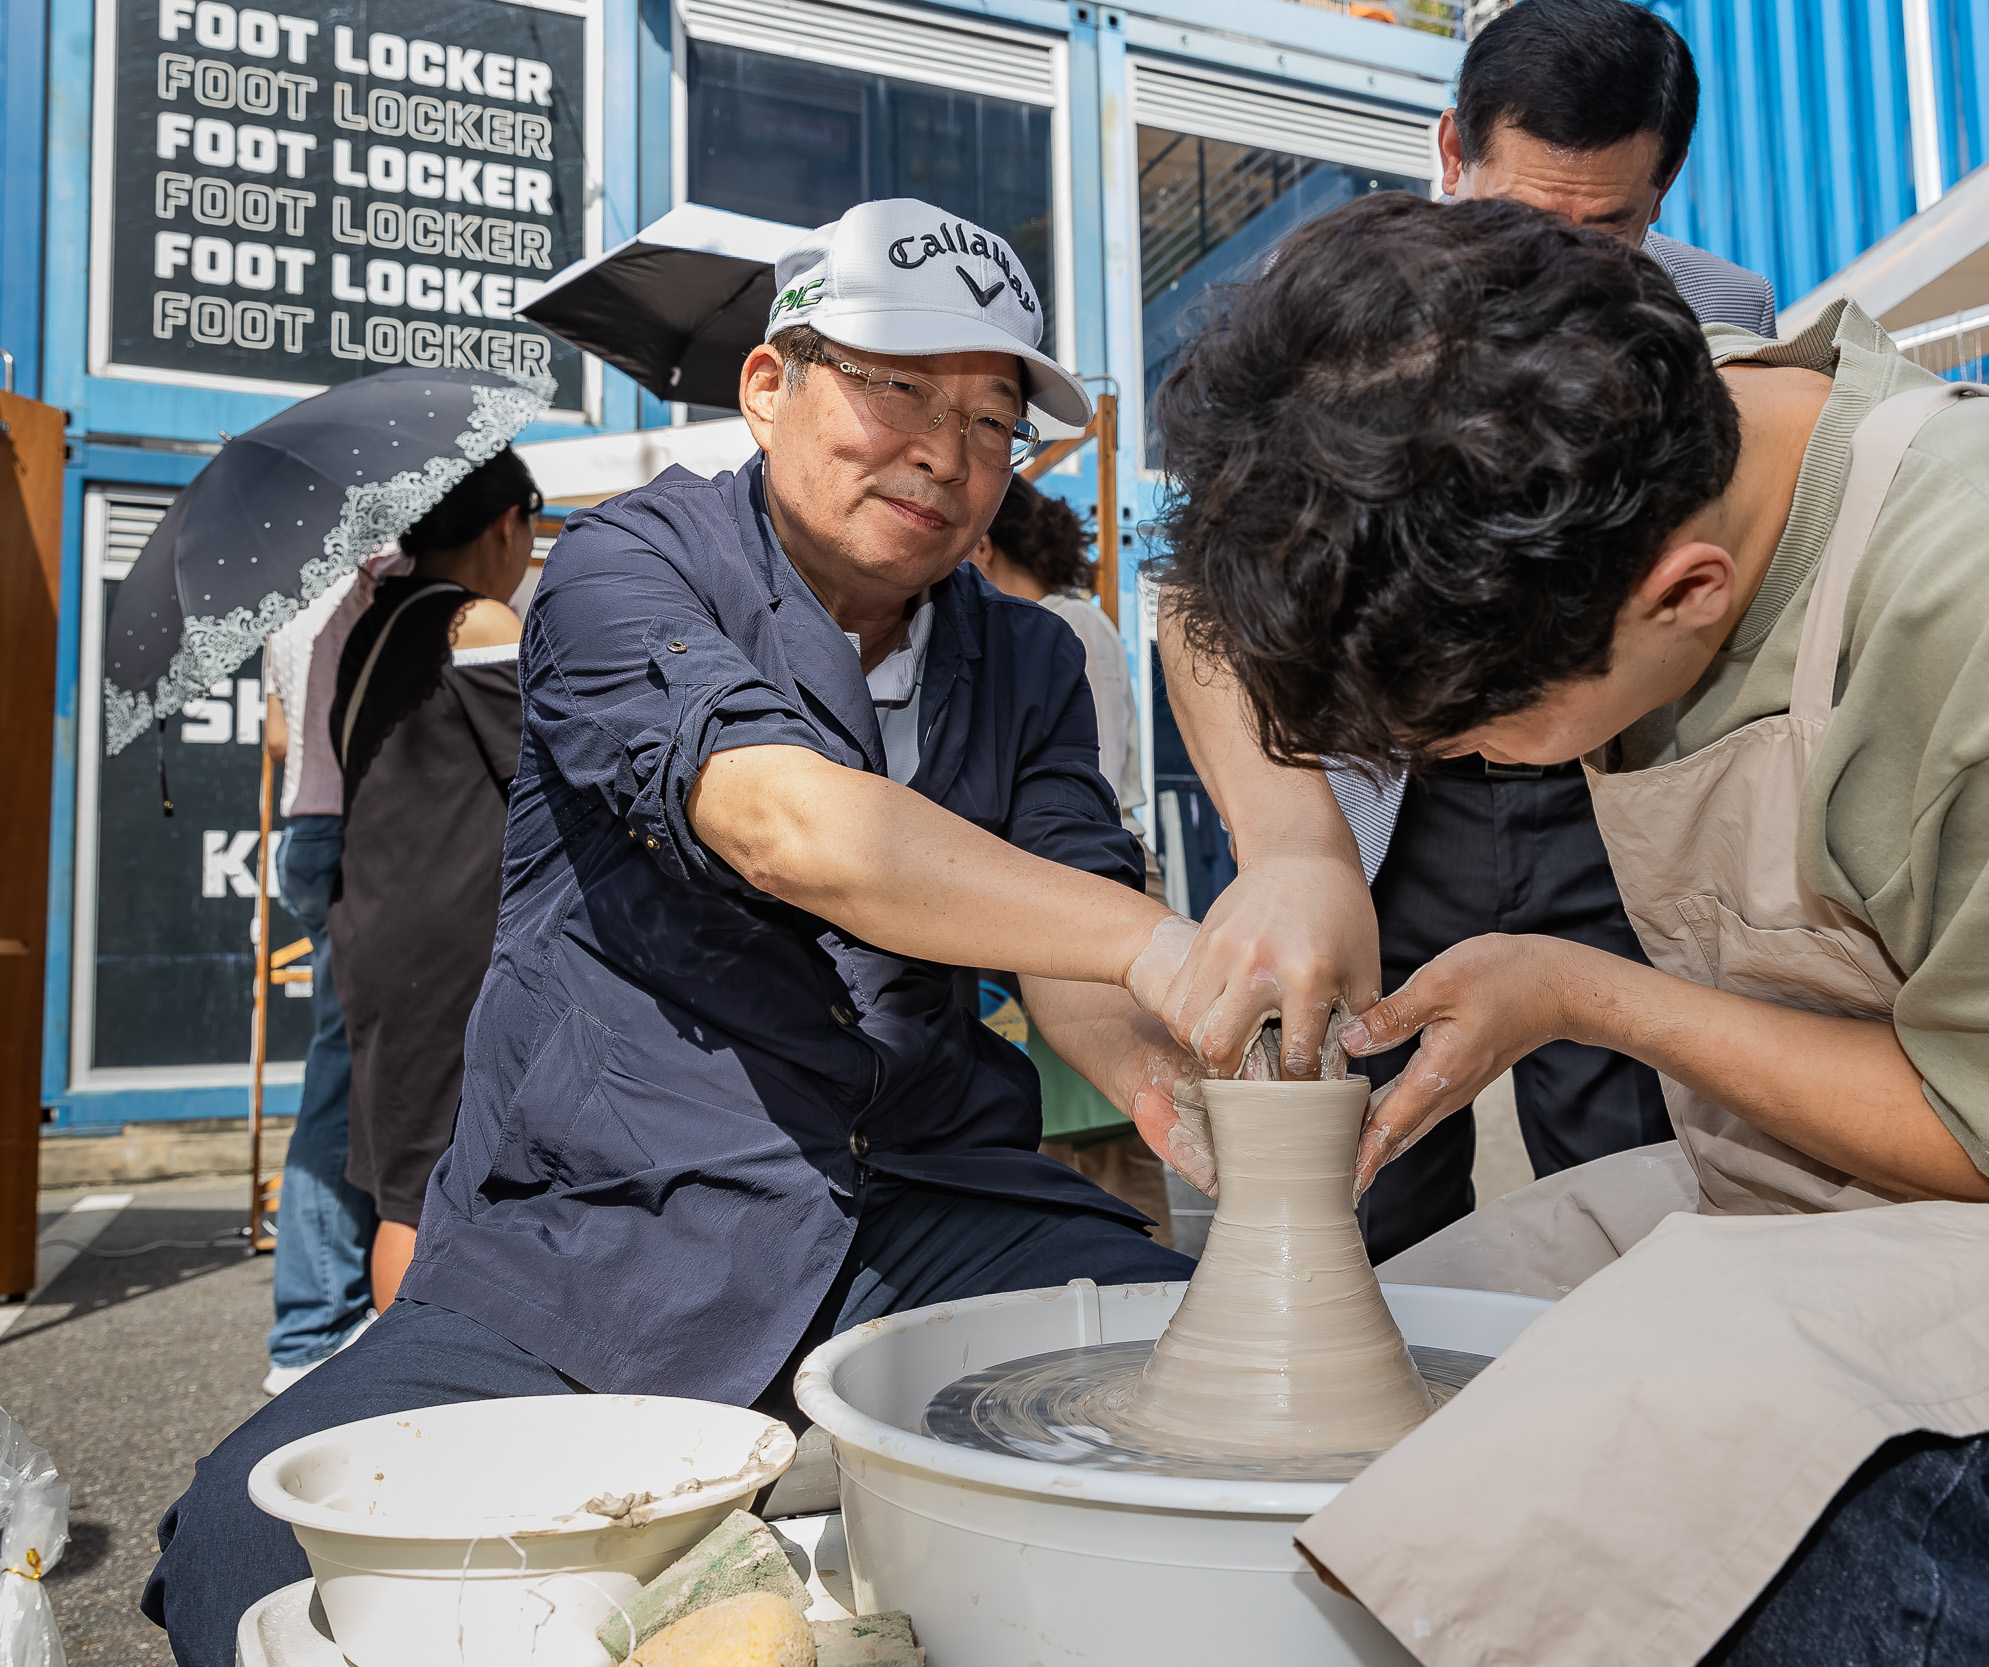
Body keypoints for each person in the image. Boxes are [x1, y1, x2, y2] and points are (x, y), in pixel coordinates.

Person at [1145, 193, 1989, 1659]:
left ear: (1686, 597)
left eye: (1481, 738)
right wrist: (1297, 847)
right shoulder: (1622, 408)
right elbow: (1190, 601)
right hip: (1858, 1200)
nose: (1473, 772)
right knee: (1408, 1338)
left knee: (1719, 1475)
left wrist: (1585, 993)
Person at [144, 198, 1262, 1664]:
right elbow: (787, 824)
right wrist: (1163, 941)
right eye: (896, 387)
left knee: (1268, 1410)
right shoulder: (624, 573)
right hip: (610, 1222)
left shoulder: (1035, 657)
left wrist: (1177, 1090)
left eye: (993, 421)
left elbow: (1070, 962)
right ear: (769, 384)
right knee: (256, 1542)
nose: (945, 450)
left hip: (921, 1200)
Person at [1187, 0, 1781, 1262]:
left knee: (1632, 1167)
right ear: (1451, 151)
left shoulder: (1732, 329)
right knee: (1359, 1169)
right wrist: (1295, 848)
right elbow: (1208, 609)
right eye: (1518, 221)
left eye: (1605, 230)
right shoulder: (1335, 312)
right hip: (1402, 806)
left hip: (1607, 796)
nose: (1557, 271)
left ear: (1660, 190)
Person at [326, 449, 537, 1315]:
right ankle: (404, 1397)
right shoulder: (478, 623)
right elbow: (562, 765)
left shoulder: (379, 621)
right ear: (505, 525)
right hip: (448, 941)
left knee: (405, 1180)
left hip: (380, 925)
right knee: (425, 1190)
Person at [969, 476, 1169, 1240]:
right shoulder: (1050, 621)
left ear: (983, 542)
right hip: (1045, 882)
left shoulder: (1061, 625)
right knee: (1055, 1128)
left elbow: (1078, 791)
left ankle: (1151, 1288)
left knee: (1119, 1128)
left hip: (1088, 875)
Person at [255, 553, 405, 1394]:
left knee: (344, 1064)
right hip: (358, 827)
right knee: (351, 1074)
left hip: (305, 832)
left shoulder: (287, 603)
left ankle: (319, 1315)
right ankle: (312, 1324)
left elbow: (282, 737)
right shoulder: (375, 586)